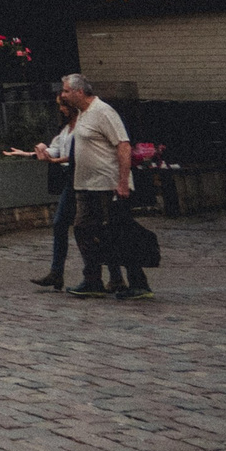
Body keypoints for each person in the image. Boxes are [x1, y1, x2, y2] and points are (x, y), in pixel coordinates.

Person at [61, 73, 149, 300]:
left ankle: (138, 282)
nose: (63, 95)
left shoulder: (103, 112)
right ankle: (93, 279)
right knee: (83, 229)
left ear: (80, 92)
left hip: (107, 184)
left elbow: (123, 145)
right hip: (85, 185)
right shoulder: (82, 114)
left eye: (66, 91)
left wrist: (123, 181)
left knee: (119, 232)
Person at [12, 97, 77, 290]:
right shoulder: (66, 129)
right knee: (60, 224)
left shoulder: (83, 126)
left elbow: (79, 154)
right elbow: (55, 150)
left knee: (89, 228)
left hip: (82, 177)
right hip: (70, 179)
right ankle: (56, 272)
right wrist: (32, 153)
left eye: (64, 105)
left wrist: (56, 160)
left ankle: (110, 275)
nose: (61, 109)